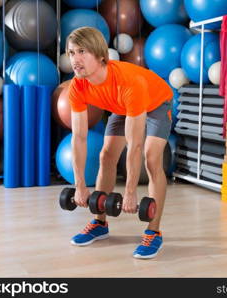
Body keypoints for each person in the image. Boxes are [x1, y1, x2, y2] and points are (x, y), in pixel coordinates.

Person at [67, 27, 173, 259]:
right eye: (72, 52)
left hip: (155, 102)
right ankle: (99, 223)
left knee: (152, 158)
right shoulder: (77, 86)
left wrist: (130, 192)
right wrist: (80, 185)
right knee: (106, 156)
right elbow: (79, 137)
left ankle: (153, 231)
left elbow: (134, 145)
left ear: (100, 54)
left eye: (82, 51)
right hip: (122, 106)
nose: (75, 59)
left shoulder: (129, 82)